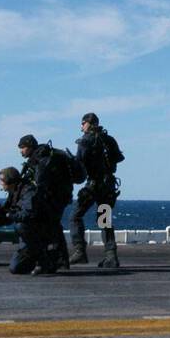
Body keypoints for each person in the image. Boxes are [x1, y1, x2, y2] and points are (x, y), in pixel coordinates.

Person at [70, 112, 124, 268]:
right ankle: (111, 256)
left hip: (93, 185)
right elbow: (119, 158)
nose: (81, 127)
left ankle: (79, 252)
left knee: (75, 217)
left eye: (82, 123)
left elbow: (78, 164)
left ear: (88, 123)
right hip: (108, 186)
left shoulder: (85, 141)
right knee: (104, 220)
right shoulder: (109, 139)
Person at [0, 166, 55, 275]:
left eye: (2, 180)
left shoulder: (28, 192)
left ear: (10, 181)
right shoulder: (14, 194)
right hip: (29, 236)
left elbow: (28, 214)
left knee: (20, 226)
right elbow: (13, 215)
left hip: (39, 231)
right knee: (15, 268)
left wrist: (10, 215)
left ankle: (43, 259)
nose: (0, 183)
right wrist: (1, 218)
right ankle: (39, 258)